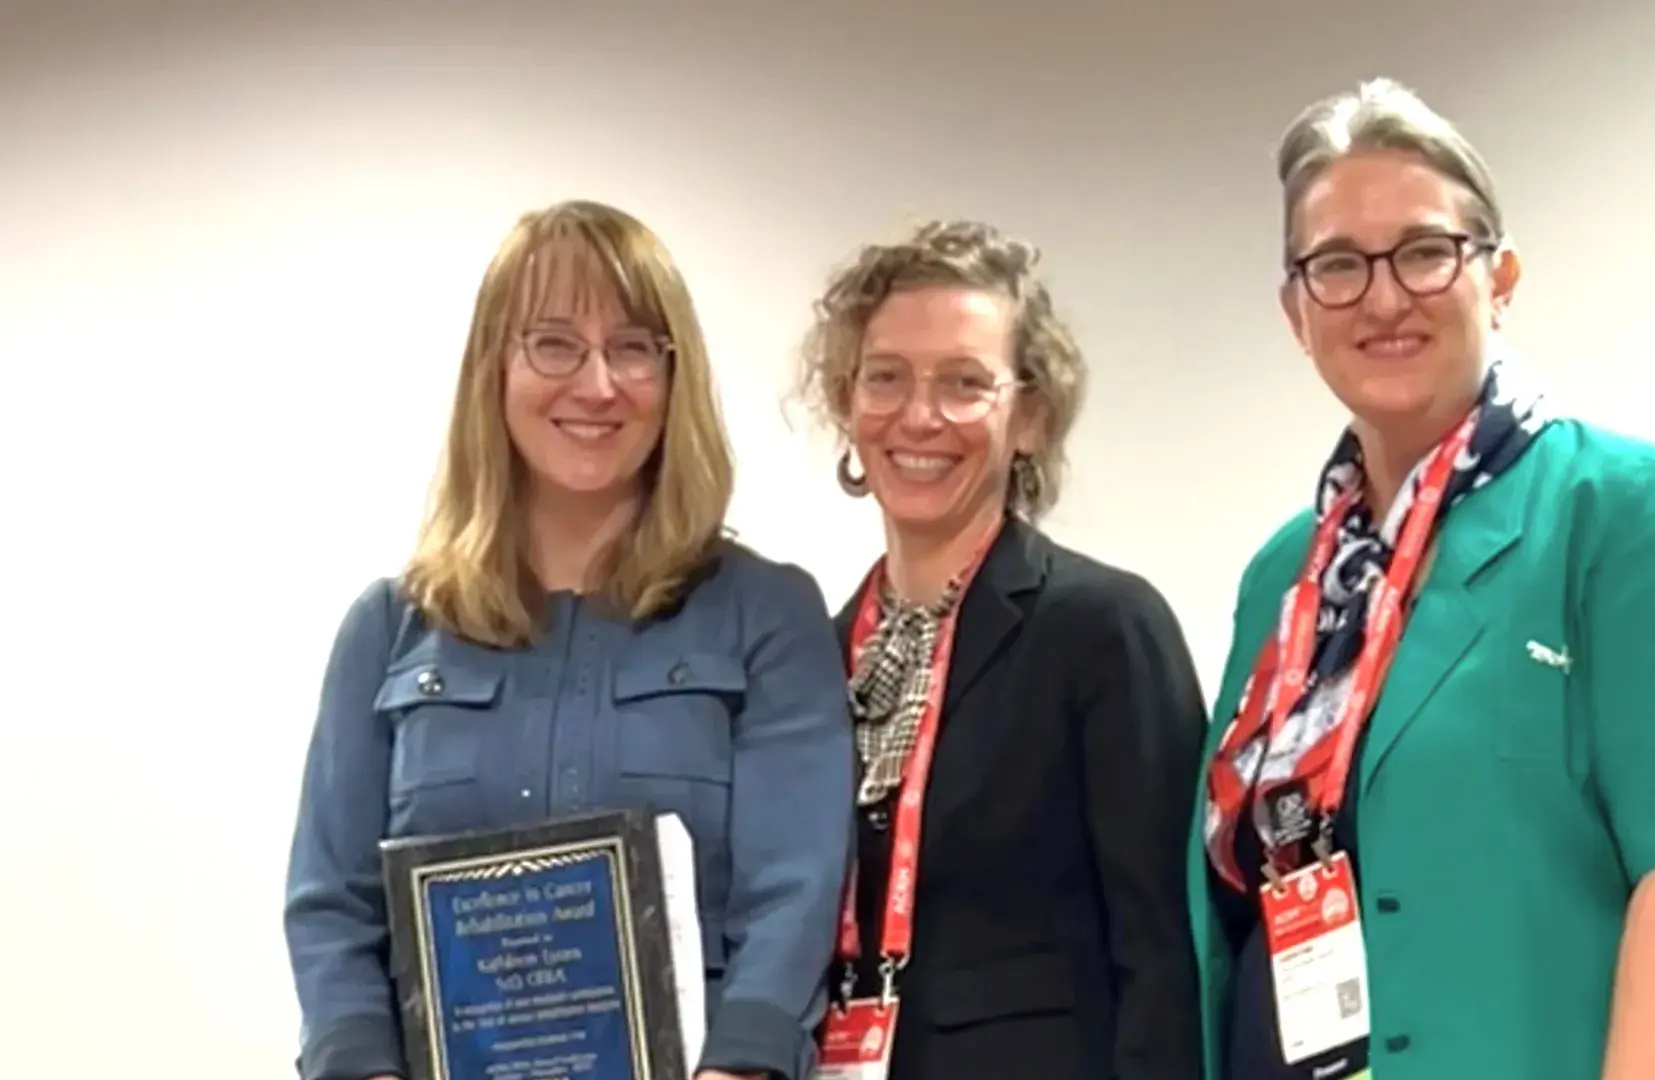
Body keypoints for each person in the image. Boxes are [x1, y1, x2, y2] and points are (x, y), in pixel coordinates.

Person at [1186, 79, 1655, 1080]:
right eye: (1338, 265)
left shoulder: (1618, 507)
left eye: (1425, 251)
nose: (1384, 297)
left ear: (1499, 276)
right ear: (1296, 311)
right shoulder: (1282, 580)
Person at [283, 199, 855, 1080]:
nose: (596, 385)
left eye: (632, 348)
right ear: (493, 370)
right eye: (553, 343)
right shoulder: (390, 628)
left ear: (674, 379)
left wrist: (740, 1066)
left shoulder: (765, 616)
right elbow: (332, 909)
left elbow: (796, 892)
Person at [792, 220, 1208, 1080]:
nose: (918, 416)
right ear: (845, 401)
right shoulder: (813, 656)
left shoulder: (1104, 630)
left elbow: (1165, 954)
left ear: (1030, 418)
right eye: (886, 378)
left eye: (964, 384)